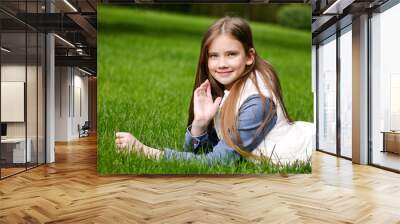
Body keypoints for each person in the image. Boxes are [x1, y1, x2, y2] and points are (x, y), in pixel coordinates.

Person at [115, 16, 314, 166]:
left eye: (231, 54)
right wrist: (200, 124)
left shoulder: (258, 102)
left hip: (309, 150)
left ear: (249, 57)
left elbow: (217, 161)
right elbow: (201, 152)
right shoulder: (226, 88)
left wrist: (146, 151)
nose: (221, 64)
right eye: (214, 56)